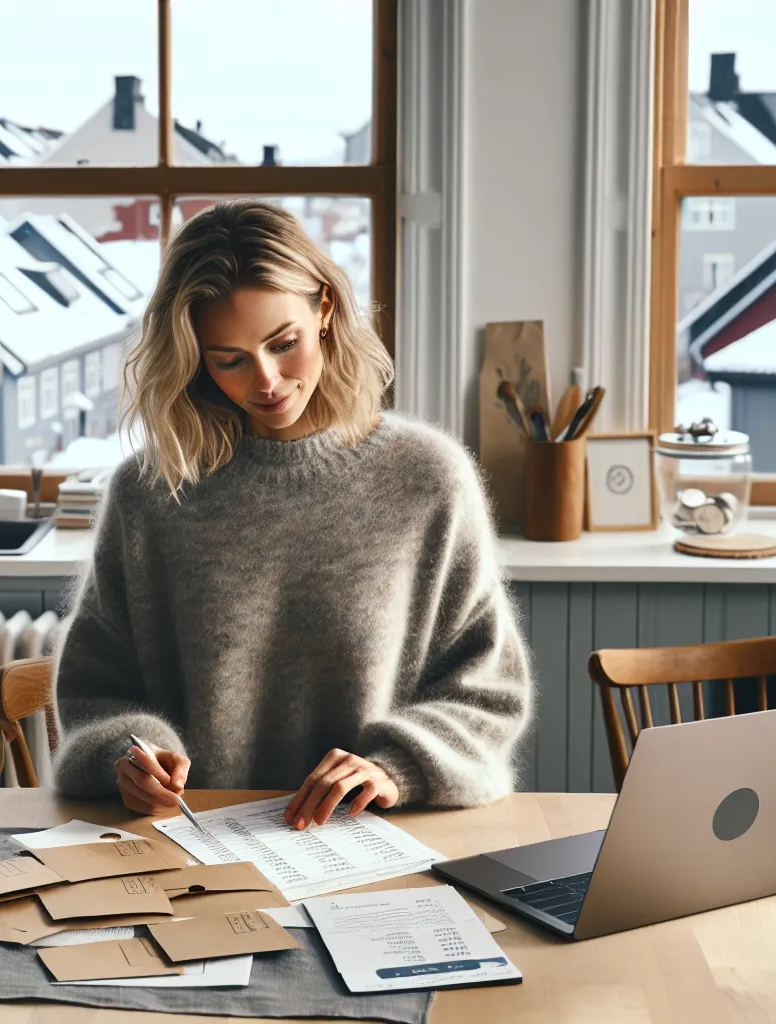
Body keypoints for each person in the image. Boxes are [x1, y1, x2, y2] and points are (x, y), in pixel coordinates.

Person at [51, 199, 533, 831]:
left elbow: (486, 691)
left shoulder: (429, 479)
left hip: (378, 844)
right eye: (229, 359)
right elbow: (96, 690)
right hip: (188, 850)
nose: (268, 380)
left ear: (325, 310)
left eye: (284, 344)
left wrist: (395, 765)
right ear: (196, 356)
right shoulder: (151, 493)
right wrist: (129, 755)